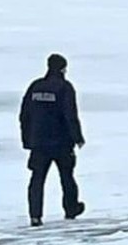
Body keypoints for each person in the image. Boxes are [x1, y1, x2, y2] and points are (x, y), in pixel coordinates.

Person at [19, 54, 86, 227]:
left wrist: (27, 139)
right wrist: (77, 137)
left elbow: (24, 114)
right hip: (61, 142)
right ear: (63, 69)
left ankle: (35, 215)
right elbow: (70, 115)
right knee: (67, 177)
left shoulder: (35, 86)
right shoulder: (65, 87)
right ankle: (71, 209)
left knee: (37, 179)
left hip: (39, 142)